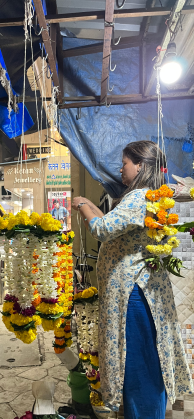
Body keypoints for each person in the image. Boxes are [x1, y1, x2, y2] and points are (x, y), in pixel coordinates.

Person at [72, 140, 193, 418]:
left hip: (134, 298)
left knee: (138, 368)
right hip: (137, 295)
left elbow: (102, 229)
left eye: (125, 162)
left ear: (140, 165)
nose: (121, 168)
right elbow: (115, 229)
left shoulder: (139, 198)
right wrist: (91, 204)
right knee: (140, 365)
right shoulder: (143, 198)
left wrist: (81, 205)